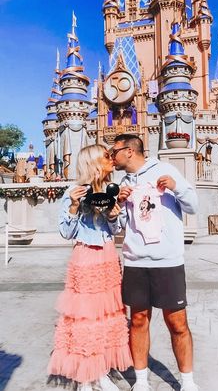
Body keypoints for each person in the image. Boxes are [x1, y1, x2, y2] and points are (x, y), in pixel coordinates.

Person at [108, 134, 199, 391]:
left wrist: (175, 187)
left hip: (167, 261)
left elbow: (193, 206)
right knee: (137, 320)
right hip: (135, 262)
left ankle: (188, 382)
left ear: (129, 151)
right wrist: (118, 207)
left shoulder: (165, 170)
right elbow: (120, 227)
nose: (111, 157)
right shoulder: (122, 183)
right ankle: (141, 380)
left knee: (177, 322)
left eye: (113, 151)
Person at [47, 144, 132, 391]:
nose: (111, 160)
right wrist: (74, 207)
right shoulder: (73, 192)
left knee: (108, 316)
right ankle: (85, 375)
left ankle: (102, 370)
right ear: (94, 163)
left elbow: (118, 230)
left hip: (107, 257)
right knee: (86, 318)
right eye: (106, 157)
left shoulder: (112, 191)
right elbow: (66, 232)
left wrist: (114, 215)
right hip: (85, 258)